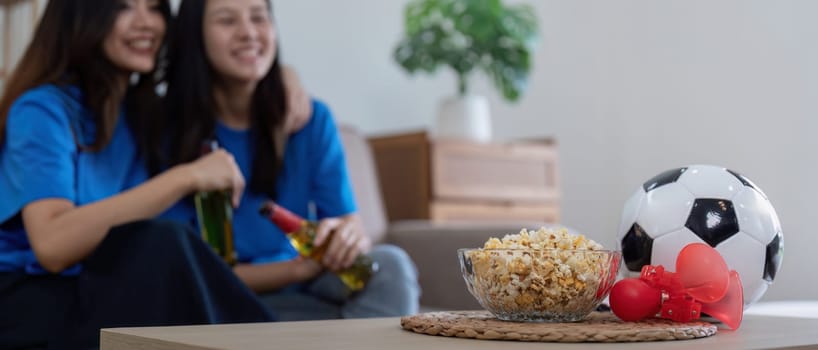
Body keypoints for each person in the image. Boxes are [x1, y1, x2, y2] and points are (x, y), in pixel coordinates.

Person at [0, 1, 278, 348]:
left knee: (169, 256)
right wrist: (185, 177)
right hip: (29, 300)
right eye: (123, 7)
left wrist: (288, 84)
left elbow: (216, 83)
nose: (147, 23)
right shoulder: (42, 110)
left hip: (95, 289)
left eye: (155, 8)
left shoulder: (140, 114)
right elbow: (52, 246)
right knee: (160, 243)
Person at [160, 0, 420, 320]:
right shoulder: (166, 131)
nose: (249, 33)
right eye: (227, 21)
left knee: (390, 265)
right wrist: (297, 271)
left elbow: (348, 221)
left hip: (307, 293)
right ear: (194, 34)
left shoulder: (310, 119)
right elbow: (188, 272)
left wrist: (348, 237)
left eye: (259, 17)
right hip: (219, 299)